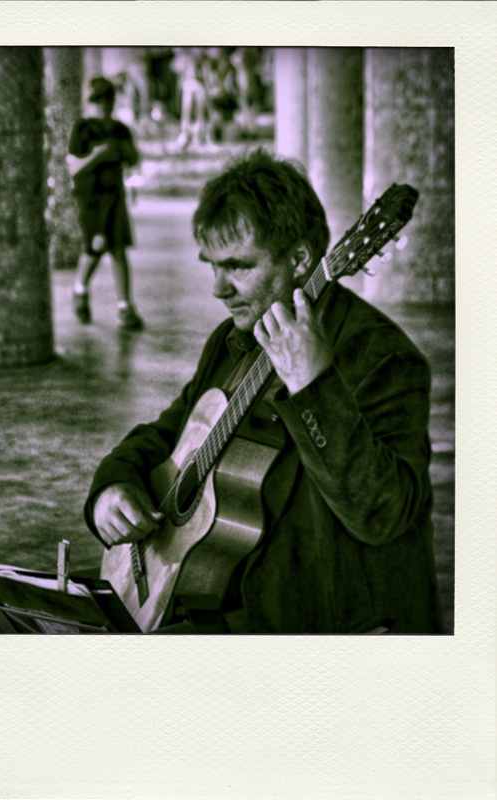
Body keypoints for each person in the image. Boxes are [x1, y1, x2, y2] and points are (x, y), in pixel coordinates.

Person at [84, 149, 444, 634]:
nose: (218, 288)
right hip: (224, 609)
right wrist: (112, 487)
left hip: (330, 627)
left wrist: (313, 385)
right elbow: (167, 434)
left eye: (237, 266)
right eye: (211, 265)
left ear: (300, 260)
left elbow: (384, 513)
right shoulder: (234, 341)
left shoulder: (381, 358)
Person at [66, 76, 143, 331]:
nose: (104, 105)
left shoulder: (120, 129)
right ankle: (79, 289)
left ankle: (124, 306)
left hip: (115, 197)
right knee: (95, 248)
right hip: (91, 200)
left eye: (107, 99)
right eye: (99, 100)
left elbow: (133, 158)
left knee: (119, 249)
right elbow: (74, 168)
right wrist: (98, 155)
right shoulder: (83, 129)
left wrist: (124, 150)